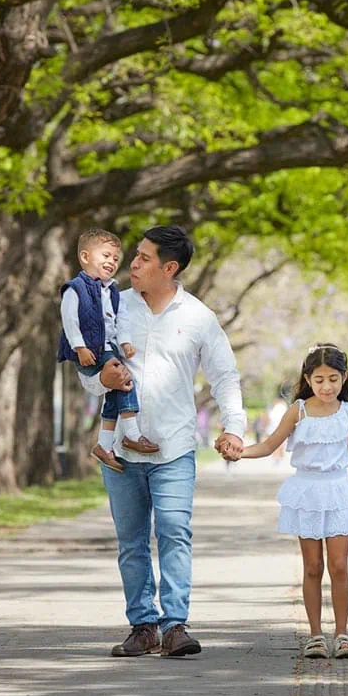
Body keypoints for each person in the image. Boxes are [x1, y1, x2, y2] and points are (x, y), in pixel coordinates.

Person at [79, 226, 246, 659]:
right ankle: (143, 625)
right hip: (120, 450)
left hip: (173, 447)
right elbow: (85, 368)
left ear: (169, 268)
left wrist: (234, 427)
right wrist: (101, 379)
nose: (132, 263)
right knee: (131, 541)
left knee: (174, 532)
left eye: (144, 258)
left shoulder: (197, 317)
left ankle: (175, 625)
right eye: (134, 255)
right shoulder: (110, 305)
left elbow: (224, 375)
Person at [238, 344, 348, 659]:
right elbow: (268, 445)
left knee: (339, 565)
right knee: (313, 566)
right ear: (308, 378)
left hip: (338, 491)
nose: (327, 386)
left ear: (344, 378)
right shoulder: (299, 411)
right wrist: (240, 452)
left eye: (333, 378)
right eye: (319, 380)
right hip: (306, 491)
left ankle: (342, 634)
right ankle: (315, 634)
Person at [57, 228, 159, 472]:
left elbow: (119, 320)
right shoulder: (75, 289)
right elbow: (69, 320)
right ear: (85, 257)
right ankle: (132, 434)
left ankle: (103, 445)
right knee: (125, 379)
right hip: (89, 349)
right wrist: (79, 347)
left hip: (109, 348)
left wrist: (124, 342)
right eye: (105, 256)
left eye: (115, 258)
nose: (111, 262)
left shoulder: (112, 290)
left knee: (114, 392)